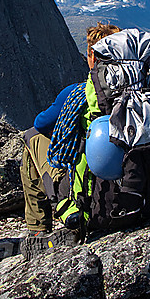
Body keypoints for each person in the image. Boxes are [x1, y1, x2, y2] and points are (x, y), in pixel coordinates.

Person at [19, 23, 121, 237]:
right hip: (139, 199)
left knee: (31, 137)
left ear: (92, 55)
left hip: (94, 205)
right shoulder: (145, 95)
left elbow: (41, 124)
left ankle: (38, 228)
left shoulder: (76, 94)